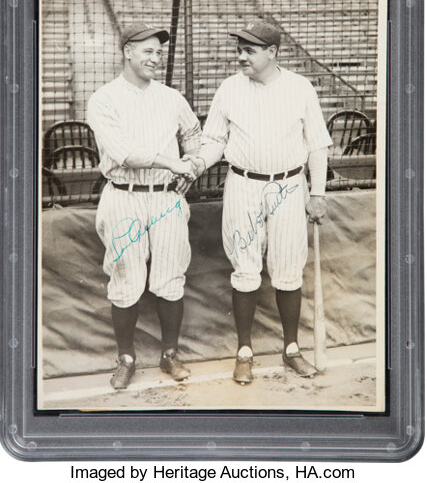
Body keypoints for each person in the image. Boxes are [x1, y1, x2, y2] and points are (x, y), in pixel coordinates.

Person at [185, 20, 333, 385]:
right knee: (245, 269)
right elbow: (215, 139)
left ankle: (292, 349)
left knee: (288, 269)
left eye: (249, 50)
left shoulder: (300, 88)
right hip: (244, 184)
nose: (241, 56)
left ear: (273, 52)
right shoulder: (230, 88)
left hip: (288, 185)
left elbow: (317, 144)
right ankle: (244, 351)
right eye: (239, 49)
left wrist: (317, 193)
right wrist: (198, 164)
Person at [87, 22, 199, 390]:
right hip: (124, 194)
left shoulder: (170, 97)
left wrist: (193, 166)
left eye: (159, 52)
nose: (156, 58)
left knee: (170, 278)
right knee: (126, 281)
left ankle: (169, 354)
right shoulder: (104, 98)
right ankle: (126, 358)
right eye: (148, 51)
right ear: (127, 52)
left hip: (166, 197)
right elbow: (124, 153)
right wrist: (173, 162)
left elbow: (194, 135)